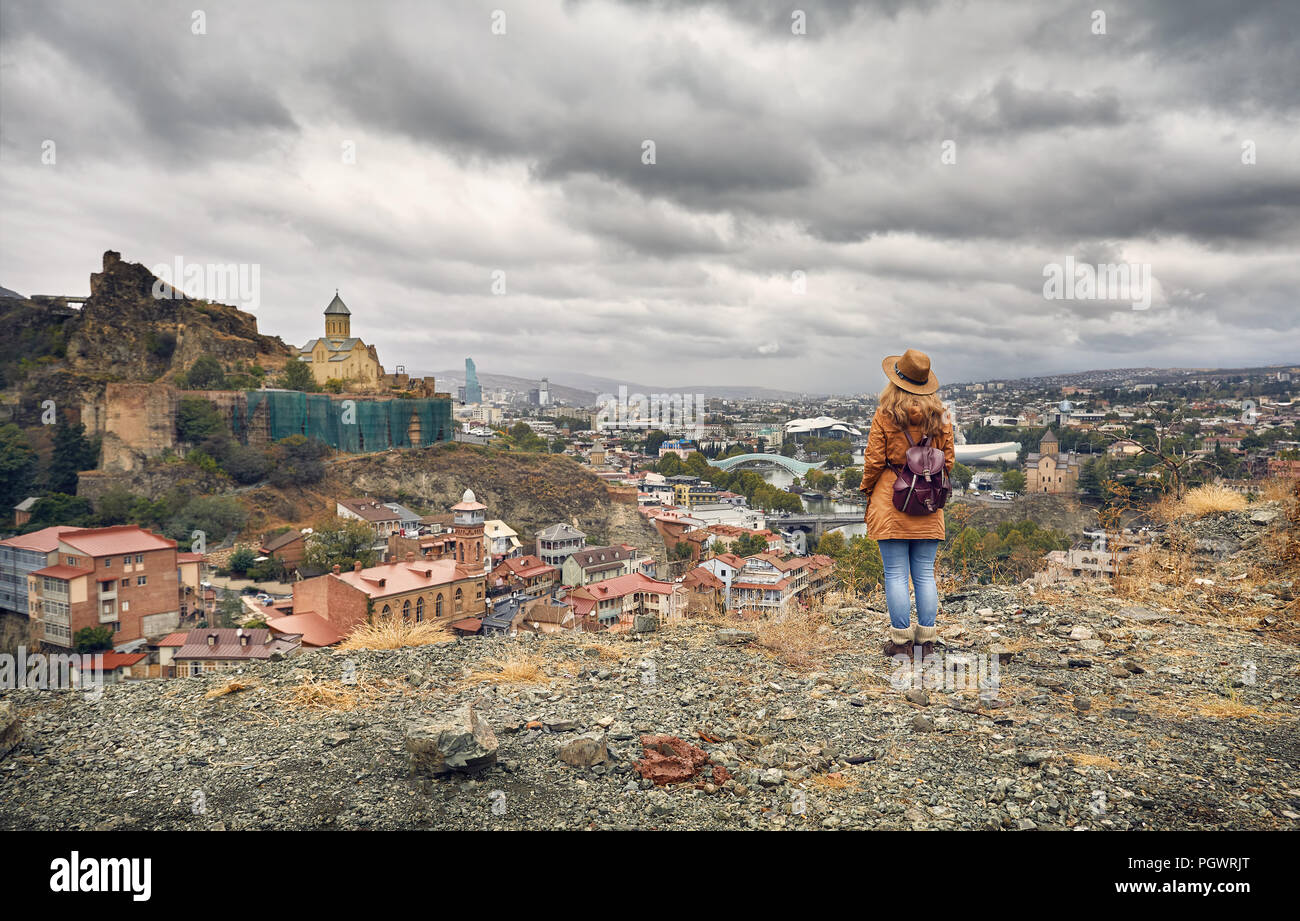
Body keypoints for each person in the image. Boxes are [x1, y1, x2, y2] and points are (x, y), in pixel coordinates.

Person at [858, 349, 955, 658]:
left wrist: (868, 490)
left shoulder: (885, 415)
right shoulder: (942, 416)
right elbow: (948, 461)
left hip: (891, 501)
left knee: (896, 575)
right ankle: (927, 642)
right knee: (925, 574)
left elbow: (873, 462)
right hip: (928, 502)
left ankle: (901, 644)